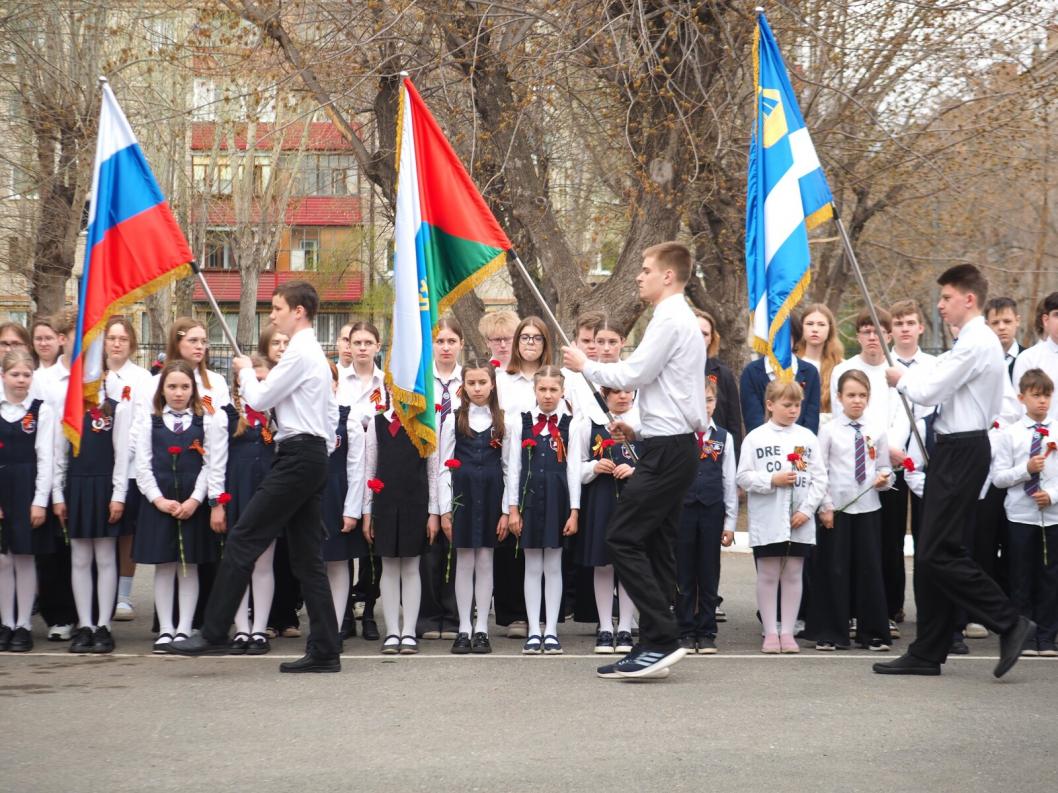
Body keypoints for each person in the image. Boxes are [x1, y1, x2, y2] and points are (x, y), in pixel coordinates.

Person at [164, 281, 343, 674]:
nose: (273, 313)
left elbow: (260, 401)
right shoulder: (309, 352)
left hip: (298, 456)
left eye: (278, 307)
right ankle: (327, 649)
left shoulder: (301, 351)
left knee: (244, 537)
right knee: (307, 559)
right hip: (307, 455)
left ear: (298, 312)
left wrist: (245, 372)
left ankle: (212, 633)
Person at [876, 264, 1033, 678]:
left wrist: (900, 377)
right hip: (951, 449)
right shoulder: (967, 341)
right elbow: (936, 377)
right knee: (934, 552)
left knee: (937, 552)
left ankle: (1009, 620)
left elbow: (929, 390)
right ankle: (929, 649)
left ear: (969, 299)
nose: (941, 305)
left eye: (946, 298)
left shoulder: (977, 342)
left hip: (963, 449)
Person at [563, 241, 708, 680]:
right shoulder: (674, 318)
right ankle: (654, 645)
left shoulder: (670, 317)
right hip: (667, 444)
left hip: (669, 451)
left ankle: (661, 636)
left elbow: (633, 375)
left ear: (668, 275)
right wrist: (640, 429)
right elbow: (673, 394)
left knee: (622, 537)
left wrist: (584, 364)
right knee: (657, 544)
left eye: (646, 270)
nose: (639, 276)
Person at [134, 360, 224, 652]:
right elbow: (143, 465)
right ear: (162, 390)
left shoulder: (204, 420)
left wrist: (196, 499)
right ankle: (166, 628)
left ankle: (185, 627)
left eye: (185, 387)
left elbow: (210, 464)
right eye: (172, 386)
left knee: (189, 567)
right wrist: (158, 499)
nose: (178, 392)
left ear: (193, 390)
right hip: (160, 501)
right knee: (165, 565)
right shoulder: (151, 421)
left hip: (190, 502)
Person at [737, 380, 827, 654]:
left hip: (799, 519)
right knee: (768, 573)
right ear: (770, 405)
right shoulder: (756, 438)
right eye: (787, 405)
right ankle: (770, 631)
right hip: (768, 518)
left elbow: (818, 478)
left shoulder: (806, 438)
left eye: (797, 405)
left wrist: (806, 510)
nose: (793, 410)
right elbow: (743, 477)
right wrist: (771, 479)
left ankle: (787, 632)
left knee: (793, 573)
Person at [808, 369, 893, 652]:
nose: (857, 401)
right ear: (839, 398)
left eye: (862, 395)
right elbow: (821, 470)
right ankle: (832, 631)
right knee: (835, 568)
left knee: (869, 568)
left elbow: (883, 467)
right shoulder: (830, 430)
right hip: (838, 509)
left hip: (868, 508)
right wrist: (826, 506)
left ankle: (872, 632)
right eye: (851, 395)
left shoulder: (876, 428)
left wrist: (884, 480)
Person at [53, 358, 132, 654]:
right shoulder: (69, 408)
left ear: (104, 373)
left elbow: (122, 454)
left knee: (106, 558)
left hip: (104, 487)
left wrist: (119, 494)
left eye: (95, 370)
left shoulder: (116, 407)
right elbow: (59, 455)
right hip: (76, 486)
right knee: (80, 559)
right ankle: (84, 624)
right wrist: (58, 495)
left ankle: (103, 625)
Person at [438, 359, 511, 654]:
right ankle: (464, 627)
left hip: (492, 496)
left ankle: (482, 627)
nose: (477, 388)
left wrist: (507, 509)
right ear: (463, 386)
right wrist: (444, 509)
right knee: (465, 561)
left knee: (485, 561)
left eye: (483, 383)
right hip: (463, 498)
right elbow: (443, 466)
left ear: (492, 384)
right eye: (471, 383)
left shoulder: (503, 420)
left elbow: (509, 468)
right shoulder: (453, 419)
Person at [506, 366, 579, 655]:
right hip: (530, 499)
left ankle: (551, 630)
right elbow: (513, 467)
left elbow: (573, 470)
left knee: (554, 565)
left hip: (558, 499)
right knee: (532, 565)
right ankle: (534, 630)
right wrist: (513, 509)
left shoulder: (572, 424)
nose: (548, 395)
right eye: (542, 389)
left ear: (562, 392)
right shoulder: (520, 422)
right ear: (534, 390)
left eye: (553, 390)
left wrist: (574, 510)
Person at [362, 390, 439, 655]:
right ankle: (392, 631)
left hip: (415, 503)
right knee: (389, 567)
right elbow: (369, 468)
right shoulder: (377, 423)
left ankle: (409, 631)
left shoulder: (424, 424)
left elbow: (432, 470)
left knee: (411, 567)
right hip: (384, 504)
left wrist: (433, 512)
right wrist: (367, 512)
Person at [991, 368, 1058, 657]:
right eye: (1035, 396)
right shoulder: (1011, 435)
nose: (1042, 402)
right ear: (1022, 398)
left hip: (1052, 515)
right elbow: (999, 477)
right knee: (1021, 575)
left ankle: (1047, 636)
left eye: (1046, 396)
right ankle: (1025, 635)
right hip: (1020, 515)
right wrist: (1026, 470)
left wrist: (1052, 495)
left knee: (1050, 576)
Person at [570, 385, 640, 655]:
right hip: (601, 500)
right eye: (616, 392)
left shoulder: (642, 424)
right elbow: (577, 465)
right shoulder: (590, 423)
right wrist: (594, 467)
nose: (623, 397)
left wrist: (635, 470)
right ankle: (604, 626)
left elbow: (656, 464)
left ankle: (624, 626)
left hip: (634, 503)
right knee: (603, 564)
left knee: (628, 565)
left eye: (627, 392)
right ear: (604, 396)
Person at [879, 300, 936, 631]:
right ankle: (891, 606)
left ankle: (930, 609)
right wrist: (890, 450)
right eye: (898, 323)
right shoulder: (881, 366)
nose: (904, 328)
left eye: (909, 322)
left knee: (928, 539)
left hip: (927, 463)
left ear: (920, 327)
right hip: (893, 461)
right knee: (891, 536)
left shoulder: (933, 365)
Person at [675, 378, 736, 654]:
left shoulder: (724, 437)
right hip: (683, 511)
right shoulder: (680, 435)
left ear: (715, 403)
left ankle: (707, 629)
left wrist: (731, 522)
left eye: (709, 400)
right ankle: (685, 629)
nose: (705, 406)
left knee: (708, 572)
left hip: (712, 511)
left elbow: (729, 481)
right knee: (684, 572)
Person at [223, 355, 279, 655]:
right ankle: (241, 628)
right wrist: (218, 502)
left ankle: (259, 629)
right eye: (253, 380)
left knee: (263, 563)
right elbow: (217, 459)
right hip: (237, 494)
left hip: (267, 494)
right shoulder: (229, 414)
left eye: (263, 381)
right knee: (239, 562)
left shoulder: (278, 415)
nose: (258, 385)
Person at [0, 351, 55, 652]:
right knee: (3, 560)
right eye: (15, 374)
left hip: (27, 489)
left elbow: (45, 458)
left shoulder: (40, 411)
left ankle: (23, 624)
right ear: (3, 376)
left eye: (26, 375)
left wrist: (39, 501)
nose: (21, 380)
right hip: (2, 488)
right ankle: (6, 622)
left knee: (24, 557)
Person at [103, 316, 153, 622]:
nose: (117, 343)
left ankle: (123, 595)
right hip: (97, 467)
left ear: (132, 343)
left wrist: (127, 454)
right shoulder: (95, 377)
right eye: (112, 338)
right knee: (99, 533)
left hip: (131, 467)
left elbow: (141, 424)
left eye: (122, 338)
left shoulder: (142, 378)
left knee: (126, 533)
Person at [338, 320, 384, 641]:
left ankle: (368, 609)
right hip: (344, 464)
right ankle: (342, 613)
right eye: (358, 342)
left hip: (379, 467)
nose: (363, 348)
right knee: (344, 542)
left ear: (378, 347)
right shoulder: (338, 380)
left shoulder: (388, 383)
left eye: (369, 342)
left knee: (373, 545)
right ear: (349, 347)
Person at [418, 317, 463, 640]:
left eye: (451, 341)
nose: (445, 347)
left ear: (461, 344)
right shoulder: (422, 381)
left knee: (456, 544)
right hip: (424, 466)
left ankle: (454, 612)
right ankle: (428, 614)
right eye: (439, 341)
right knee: (428, 544)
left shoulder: (471, 380)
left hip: (459, 469)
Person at [320, 362, 366, 642]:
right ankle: (319, 628)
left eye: (329, 379)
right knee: (314, 566)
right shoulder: (298, 417)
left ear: (336, 384)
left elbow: (356, 467)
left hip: (337, 496)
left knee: (337, 564)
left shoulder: (347, 418)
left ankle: (336, 627)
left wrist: (351, 510)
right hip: (309, 498)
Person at [693, 308, 743, 451]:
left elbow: (733, 422)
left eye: (705, 334)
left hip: (716, 452)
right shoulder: (670, 371)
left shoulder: (722, 373)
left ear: (711, 340)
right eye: (695, 331)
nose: (699, 337)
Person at [794, 303, 843, 424]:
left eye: (821, 324)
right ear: (802, 327)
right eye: (809, 324)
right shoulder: (792, 363)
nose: (815, 329)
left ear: (829, 329)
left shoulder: (841, 366)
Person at [1013, 292, 1058, 421]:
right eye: (1057, 315)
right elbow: (1020, 407)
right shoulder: (1029, 359)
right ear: (1046, 320)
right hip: (1041, 437)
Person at [498, 316, 553, 415]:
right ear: (517, 342)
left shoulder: (556, 380)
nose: (530, 342)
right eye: (524, 337)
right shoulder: (501, 381)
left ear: (545, 344)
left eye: (537, 338)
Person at [986, 297, 1024, 382]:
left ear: (1017, 321)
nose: (1001, 327)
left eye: (1007, 321)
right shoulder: (982, 360)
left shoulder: (1030, 358)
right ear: (987, 325)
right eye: (995, 323)